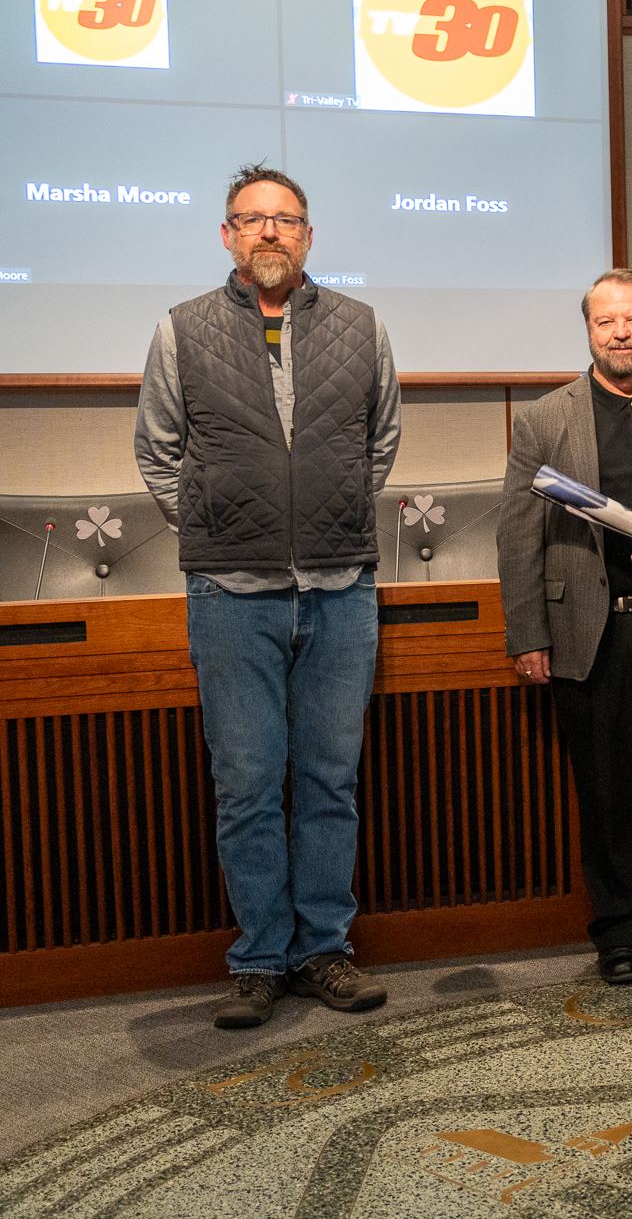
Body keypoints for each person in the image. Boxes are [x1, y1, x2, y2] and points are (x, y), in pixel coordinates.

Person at [133, 164, 400, 1029]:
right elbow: (157, 448)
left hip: (340, 588)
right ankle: (257, 958)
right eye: (252, 221)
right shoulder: (182, 330)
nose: (270, 233)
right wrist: (215, 525)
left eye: (285, 220)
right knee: (246, 784)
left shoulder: (362, 327)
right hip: (231, 594)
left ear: (309, 236)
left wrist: (325, 519)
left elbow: (380, 440)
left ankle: (324, 949)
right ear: (227, 236)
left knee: (329, 780)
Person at [496, 269, 632, 985]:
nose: (620, 332)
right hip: (589, 632)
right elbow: (517, 536)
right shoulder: (544, 418)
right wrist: (528, 635)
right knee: (606, 791)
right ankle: (617, 931)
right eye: (605, 322)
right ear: (589, 330)